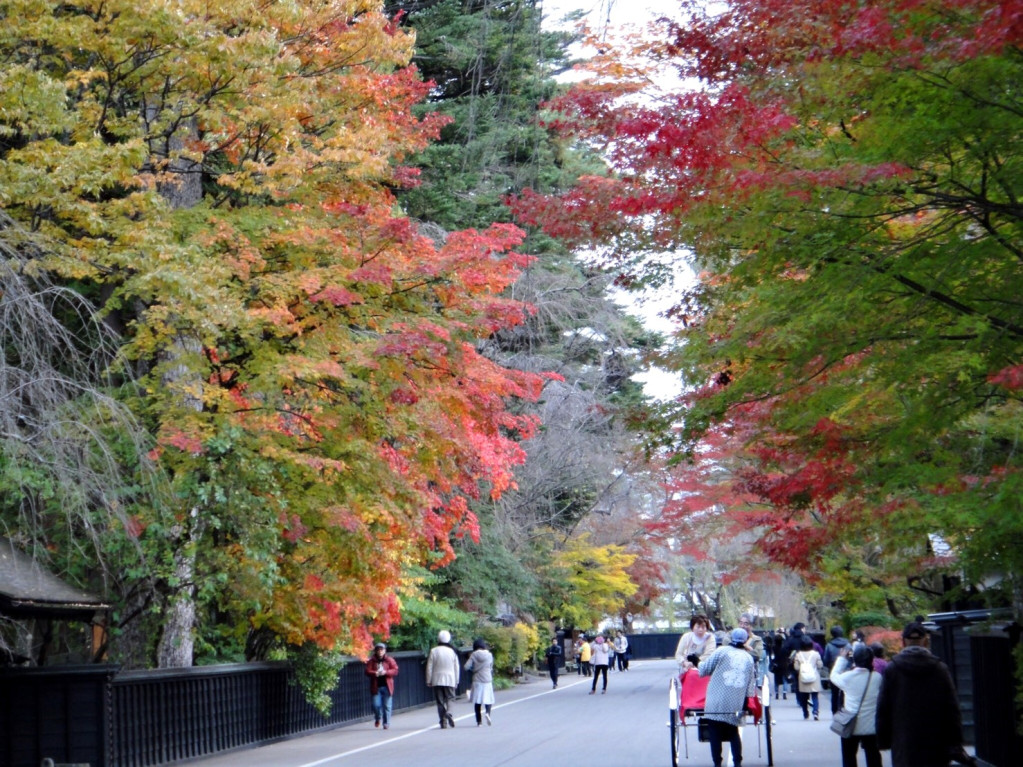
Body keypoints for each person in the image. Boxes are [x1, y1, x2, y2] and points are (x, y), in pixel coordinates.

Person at [876, 621, 971, 767]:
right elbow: (952, 708)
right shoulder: (939, 669)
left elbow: (883, 707)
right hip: (936, 741)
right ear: (926, 642)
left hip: (904, 740)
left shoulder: (893, 669)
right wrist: (955, 742)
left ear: (903, 642)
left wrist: (883, 740)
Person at [699, 628, 758, 767]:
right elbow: (750, 688)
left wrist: (696, 661)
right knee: (733, 732)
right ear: (745, 640)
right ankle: (737, 762)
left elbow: (704, 669)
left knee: (714, 732)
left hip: (715, 700)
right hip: (735, 702)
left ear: (731, 638)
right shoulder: (748, 658)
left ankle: (717, 763)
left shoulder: (721, 651)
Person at [830, 644, 883, 767]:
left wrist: (842, 658)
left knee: (849, 756)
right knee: (873, 755)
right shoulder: (877, 677)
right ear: (871, 660)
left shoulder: (847, 677)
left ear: (855, 660)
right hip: (871, 726)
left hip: (851, 725)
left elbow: (833, 676)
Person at [426, 629, 460, 729]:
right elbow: (456, 667)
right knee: (451, 698)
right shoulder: (452, 651)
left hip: (437, 679)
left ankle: (443, 722)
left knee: (440, 701)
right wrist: (457, 680)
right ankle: (449, 712)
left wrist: (429, 679)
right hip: (450, 679)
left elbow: (429, 667)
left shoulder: (434, 651)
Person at [364, 642, 399, 730]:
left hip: (387, 686)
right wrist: (375, 673)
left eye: (381, 650)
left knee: (387, 706)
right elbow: (367, 671)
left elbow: (395, 670)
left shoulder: (389, 660)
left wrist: (386, 672)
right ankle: (378, 717)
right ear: (375, 651)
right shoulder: (372, 661)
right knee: (376, 705)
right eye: (378, 650)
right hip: (376, 686)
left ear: (385, 651)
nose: (380, 651)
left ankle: (386, 723)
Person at [792, 633, 824, 720]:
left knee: (804, 697)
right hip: (814, 677)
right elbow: (820, 665)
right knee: (814, 696)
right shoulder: (816, 654)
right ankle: (816, 712)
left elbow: (796, 667)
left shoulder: (798, 655)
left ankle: (805, 713)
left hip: (803, 678)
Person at [465, 638, 495, 726]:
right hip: (487, 680)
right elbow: (491, 667)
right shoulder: (489, 655)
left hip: (477, 680)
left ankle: (479, 722)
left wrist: (473, 669)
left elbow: (466, 667)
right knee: (488, 699)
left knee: (477, 701)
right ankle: (487, 714)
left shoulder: (474, 655)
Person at [822, 626, 851, 714]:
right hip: (846, 671)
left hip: (833, 670)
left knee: (834, 693)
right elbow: (851, 658)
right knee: (845, 692)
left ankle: (834, 712)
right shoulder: (848, 645)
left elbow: (826, 660)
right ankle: (843, 709)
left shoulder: (829, 645)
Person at [738, 613, 765, 684]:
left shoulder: (757, 640)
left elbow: (757, 655)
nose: (742, 626)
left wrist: (739, 649)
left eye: (746, 624)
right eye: (741, 623)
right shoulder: (731, 636)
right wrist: (747, 649)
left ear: (751, 626)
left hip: (749, 675)